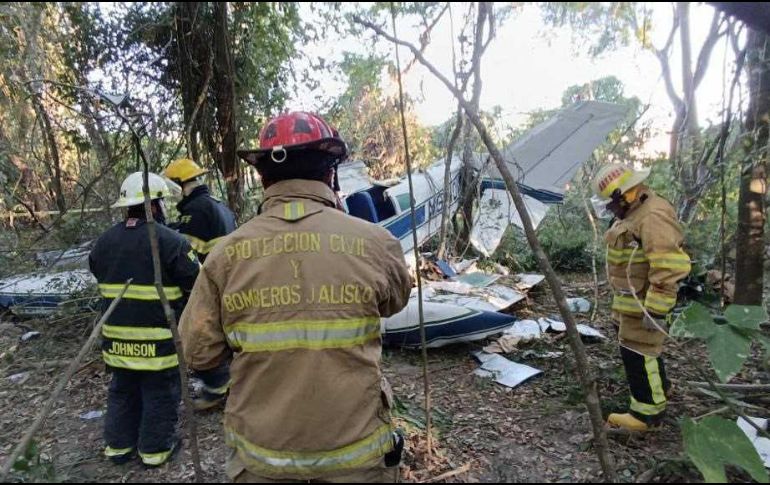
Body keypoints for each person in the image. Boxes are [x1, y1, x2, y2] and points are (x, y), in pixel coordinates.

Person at [179, 112, 412, 482]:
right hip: (356, 457)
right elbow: (395, 301)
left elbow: (198, 352)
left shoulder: (225, 255)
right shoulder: (376, 243)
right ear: (329, 173)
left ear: (262, 176)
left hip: (263, 460)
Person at [89, 172, 200, 466]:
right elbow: (196, 284)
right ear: (154, 206)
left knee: (122, 391)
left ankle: (118, 447)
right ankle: (155, 451)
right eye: (161, 203)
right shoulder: (170, 241)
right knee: (160, 392)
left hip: (116, 340)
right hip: (158, 341)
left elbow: (98, 272)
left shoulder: (103, 242)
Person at [592, 163, 691, 432]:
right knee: (642, 351)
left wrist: (656, 310)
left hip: (645, 303)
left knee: (638, 352)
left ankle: (646, 414)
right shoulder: (634, 213)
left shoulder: (652, 215)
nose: (610, 210)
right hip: (631, 302)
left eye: (611, 204)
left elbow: (668, 266)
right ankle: (662, 389)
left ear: (624, 194)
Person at [164, 158, 237, 410]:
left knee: (196, 338)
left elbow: (184, 254)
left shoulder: (194, 212)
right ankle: (226, 383)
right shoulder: (216, 205)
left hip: (209, 284)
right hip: (230, 281)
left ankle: (217, 388)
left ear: (178, 185)